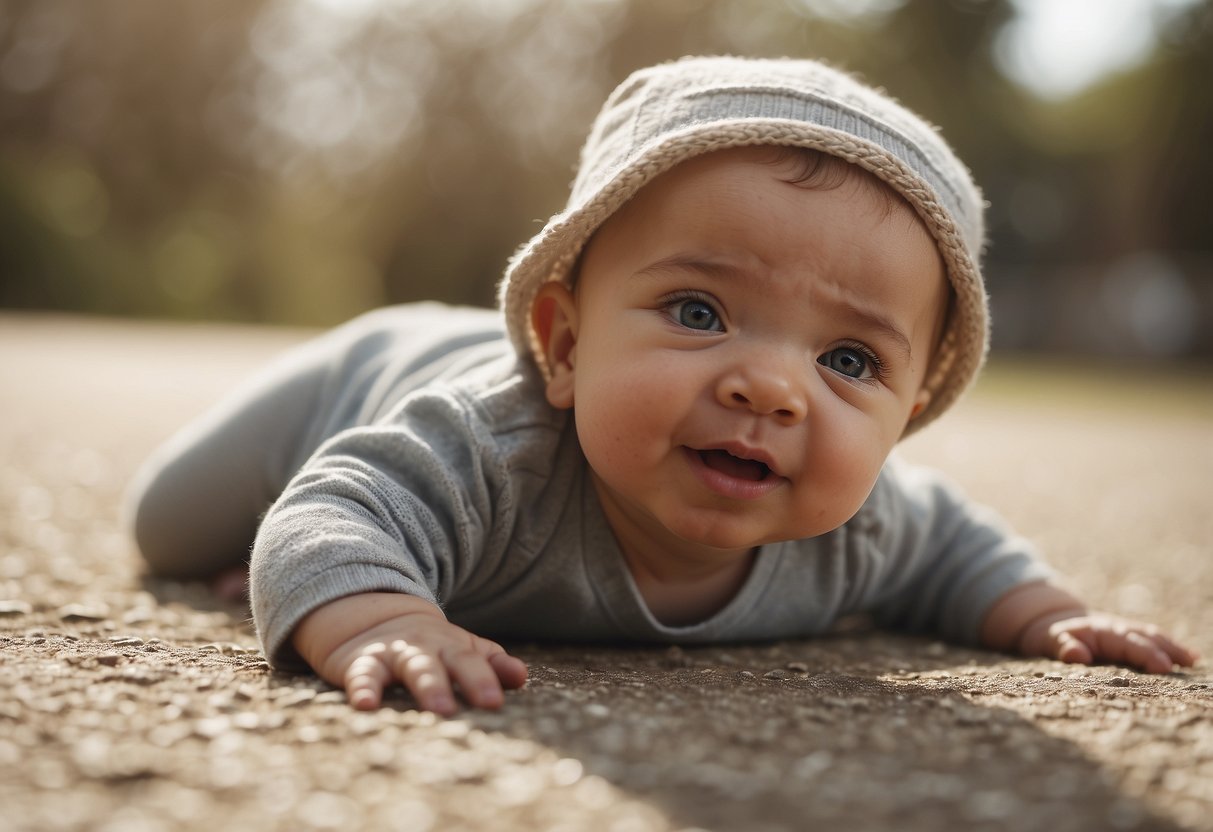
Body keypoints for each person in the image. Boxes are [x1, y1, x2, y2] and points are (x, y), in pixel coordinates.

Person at [126, 56, 1198, 716]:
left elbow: (957, 548)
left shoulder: (860, 529)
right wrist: (371, 611)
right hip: (365, 372)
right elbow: (337, 503)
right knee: (170, 529)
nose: (772, 389)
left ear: (907, 415)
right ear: (563, 340)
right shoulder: (486, 455)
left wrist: (1048, 615)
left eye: (849, 361)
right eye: (698, 312)